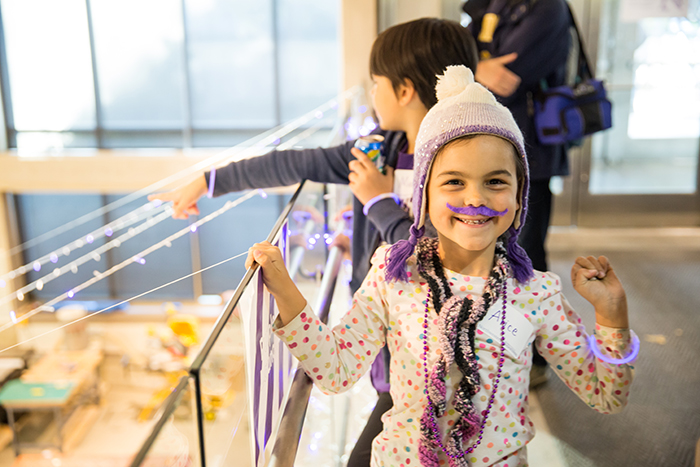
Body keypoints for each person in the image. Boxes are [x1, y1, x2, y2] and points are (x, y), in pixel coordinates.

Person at [246, 65, 637, 466]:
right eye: (453, 182)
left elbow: (606, 395)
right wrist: (284, 289)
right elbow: (336, 370)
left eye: (496, 182)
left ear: (520, 196)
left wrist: (611, 314)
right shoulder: (394, 276)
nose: (475, 198)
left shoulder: (536, 293)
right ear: (423, 194)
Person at [149, 18, 479, 467]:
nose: (371, 94)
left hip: (431, 357)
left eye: (376, 83)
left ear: (404, 90)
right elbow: (297, 163)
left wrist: (378, 201)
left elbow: (442, 260)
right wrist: (211, 180)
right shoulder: (380, 148)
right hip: (383, 338)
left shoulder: (456, 166)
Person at [464, 0, 573, 382]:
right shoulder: (490, 4)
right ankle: (498, 351)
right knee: (495, 256)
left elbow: (505, 78)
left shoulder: (546, 8)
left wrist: (472, 66)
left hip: (532, 156)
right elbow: (460, 57)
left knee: (524, 254)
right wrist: (475, 67)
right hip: (496, 152)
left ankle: (534, 359)